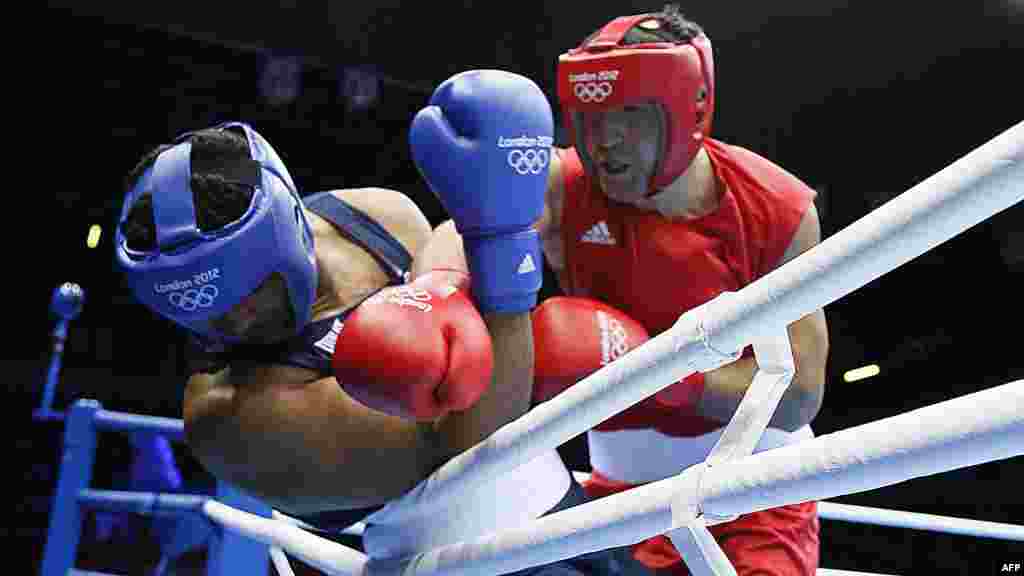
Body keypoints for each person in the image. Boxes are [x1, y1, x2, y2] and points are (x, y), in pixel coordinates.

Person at [114, 70, 650, 575]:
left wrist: (446, 271)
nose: (234, 319)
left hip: (571, 516)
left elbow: (453, 275)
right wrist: (502, 251)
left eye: (251, 288)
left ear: (289, 229)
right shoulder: (229, 418)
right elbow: (471, 445)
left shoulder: (370, 217)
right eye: (199, 311)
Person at [531, 5, 830, 576]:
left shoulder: (775, 207)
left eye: (630, 115)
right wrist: (437, 286)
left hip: (756, 497)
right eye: (588, 117)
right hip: (615, 498)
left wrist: (661, 375)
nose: (603, 142)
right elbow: (466, 234)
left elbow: (800, 398)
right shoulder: (562, 188)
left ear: (687, 109)